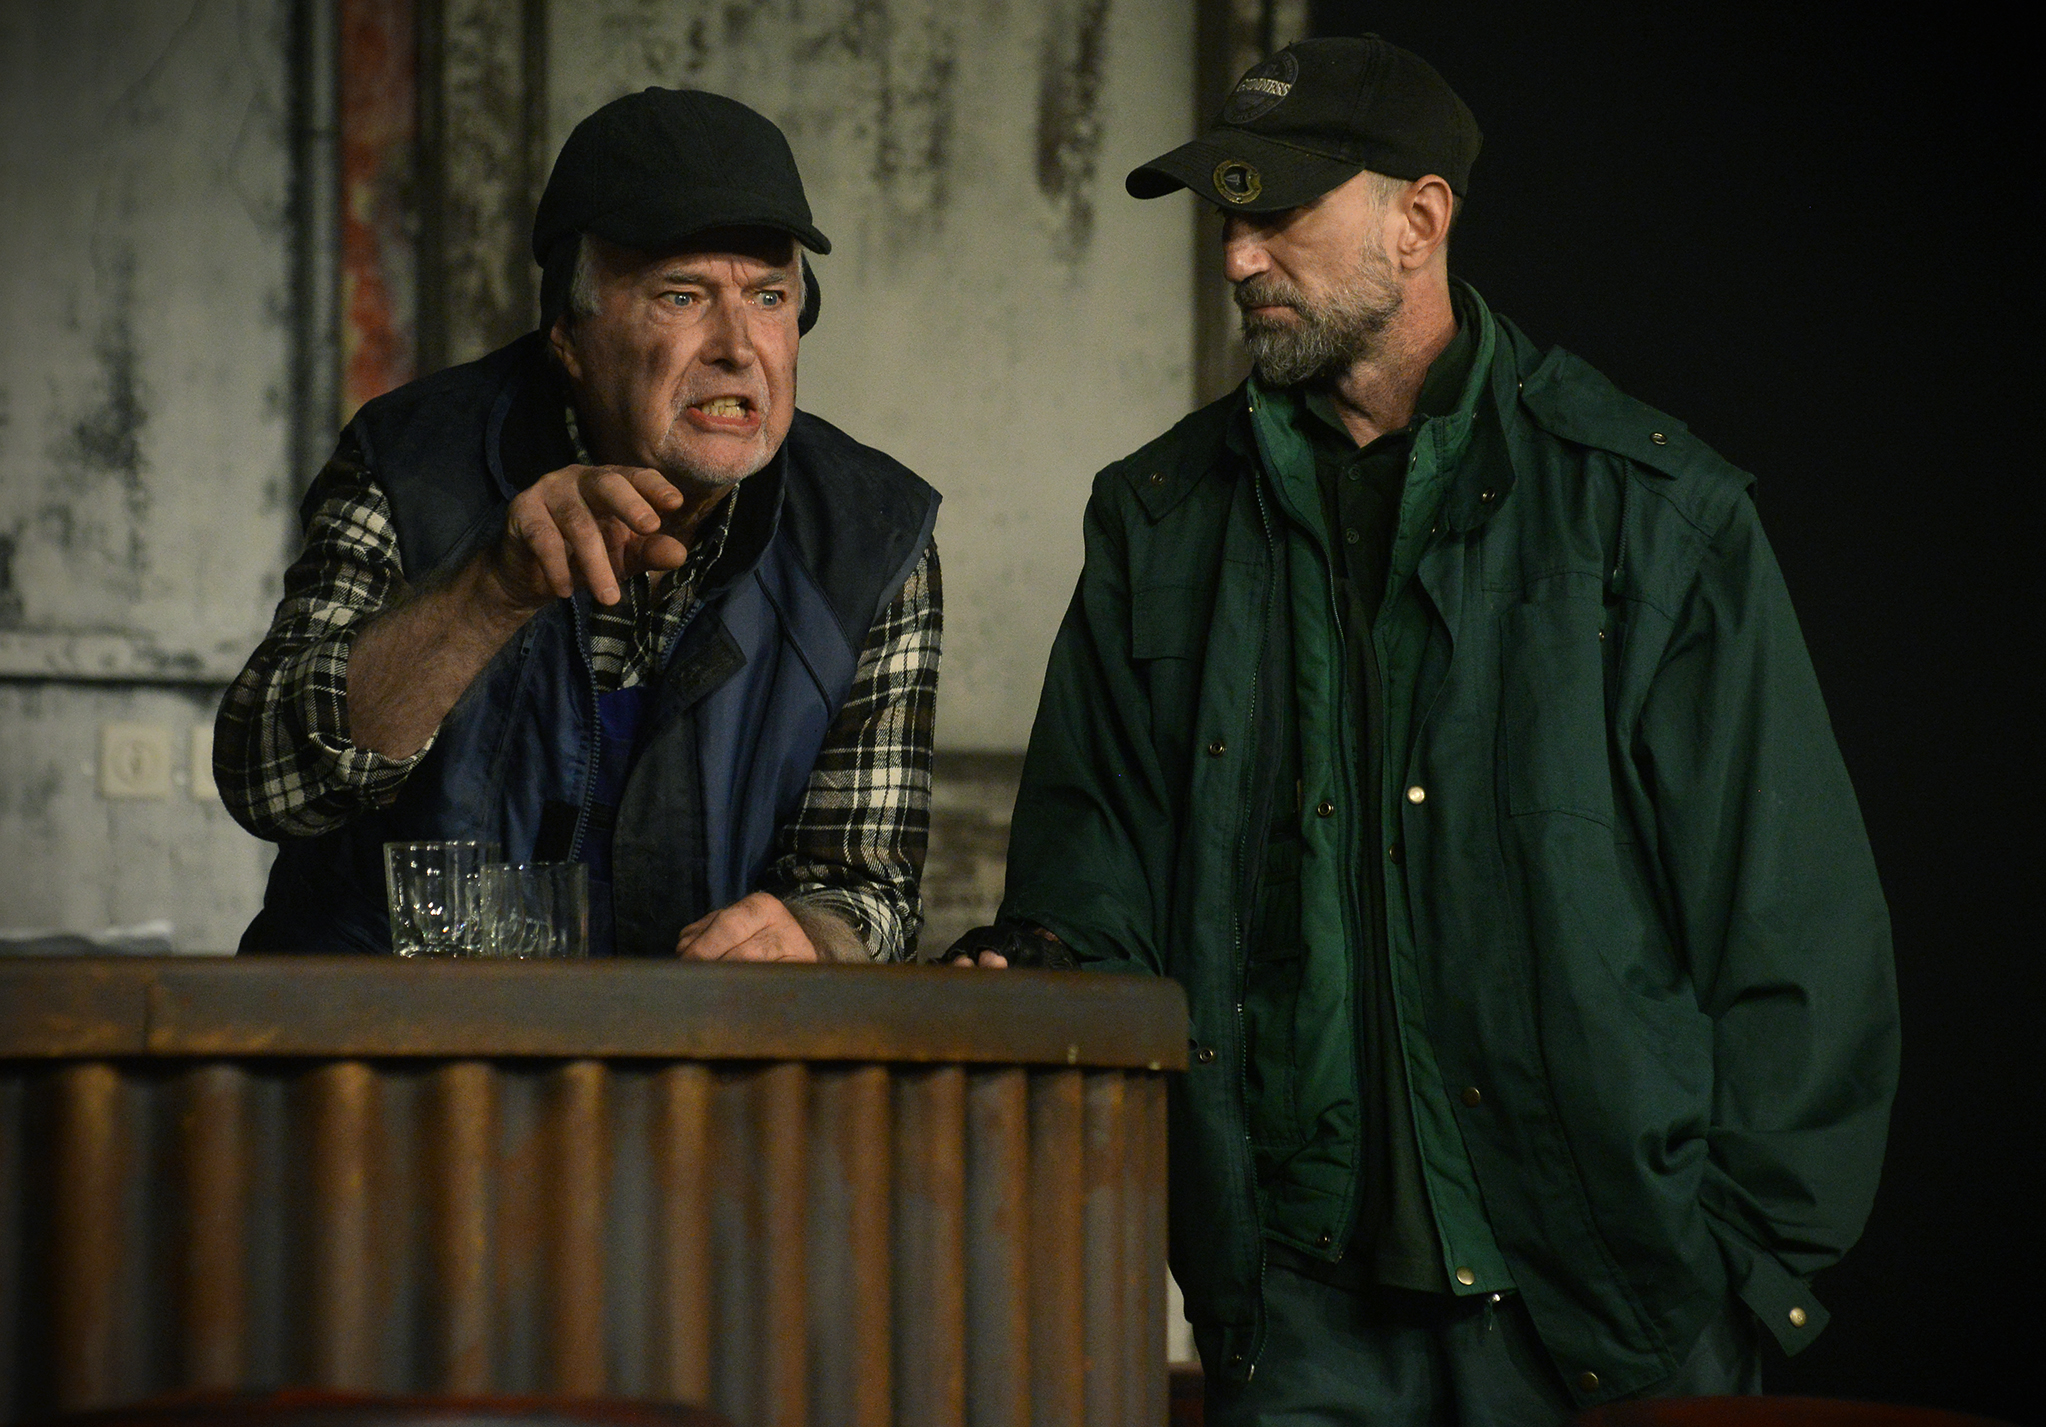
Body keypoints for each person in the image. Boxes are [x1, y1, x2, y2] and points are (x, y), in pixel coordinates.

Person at [953, 35, 1898, 1425]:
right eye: (1226, 216)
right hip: (1298, 1322)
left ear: (1419, 220)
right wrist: (1034, 958)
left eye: (1280, 212)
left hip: (1613, 1316)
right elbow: (1089, 877)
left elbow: (1795, 930)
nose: (1237, 257)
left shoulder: (1649, 517)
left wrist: (1740, 1273)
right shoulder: (1155, 523)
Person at [217, 88, 941, 963]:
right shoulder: (409, 463)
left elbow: (866, 887)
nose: (738, 347)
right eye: (682, 296)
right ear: (567, 331)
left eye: (768, 296)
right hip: (389, 1036)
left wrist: (813, 939)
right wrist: (490, 590)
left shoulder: (871, 535)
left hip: (691, 1044)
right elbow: (269, 782)